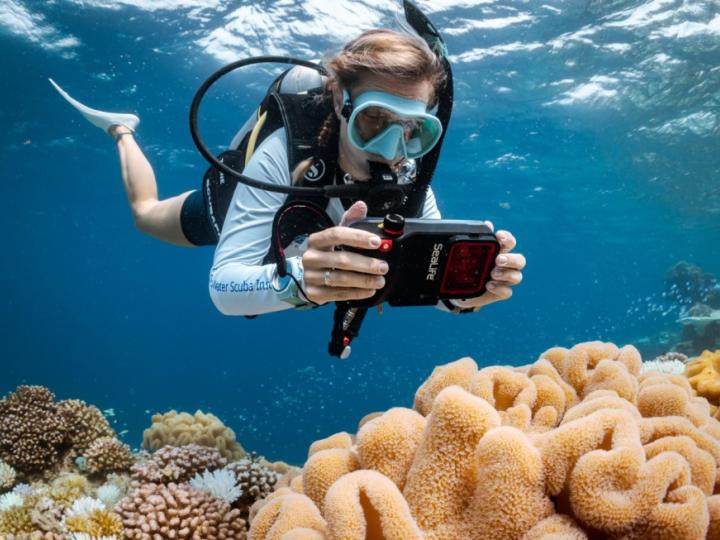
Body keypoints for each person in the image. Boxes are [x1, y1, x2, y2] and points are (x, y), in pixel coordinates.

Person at [51, 28, 525, 319]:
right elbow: (223, 288)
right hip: (226, 211)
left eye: (413, 129)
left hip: (291, 242)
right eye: (375, 120)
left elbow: (422, 269)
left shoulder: (408, 171)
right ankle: (122, 131)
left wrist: (466, 291)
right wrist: (300, 280)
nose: (392, 150)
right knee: (145, 213)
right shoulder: (286, 148)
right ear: (341, 99)